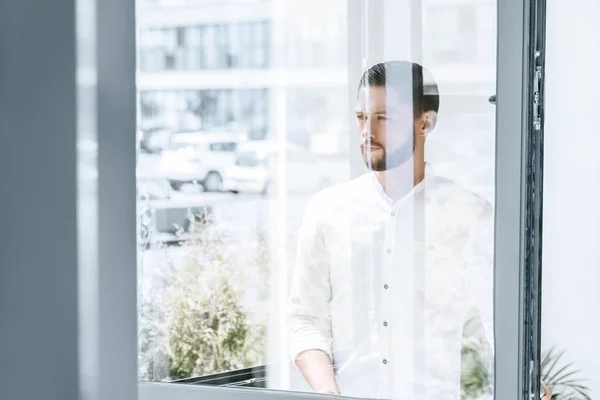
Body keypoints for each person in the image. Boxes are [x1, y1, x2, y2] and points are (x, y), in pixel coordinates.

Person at [287, 60, 495, 399]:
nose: (368, 131)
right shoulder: (327, 211)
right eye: (361, 117)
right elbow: (304, 320)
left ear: (425, 123)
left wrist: (526, 378)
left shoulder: (469, 214)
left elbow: (492, 319)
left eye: (383, 118)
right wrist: (328, 391)